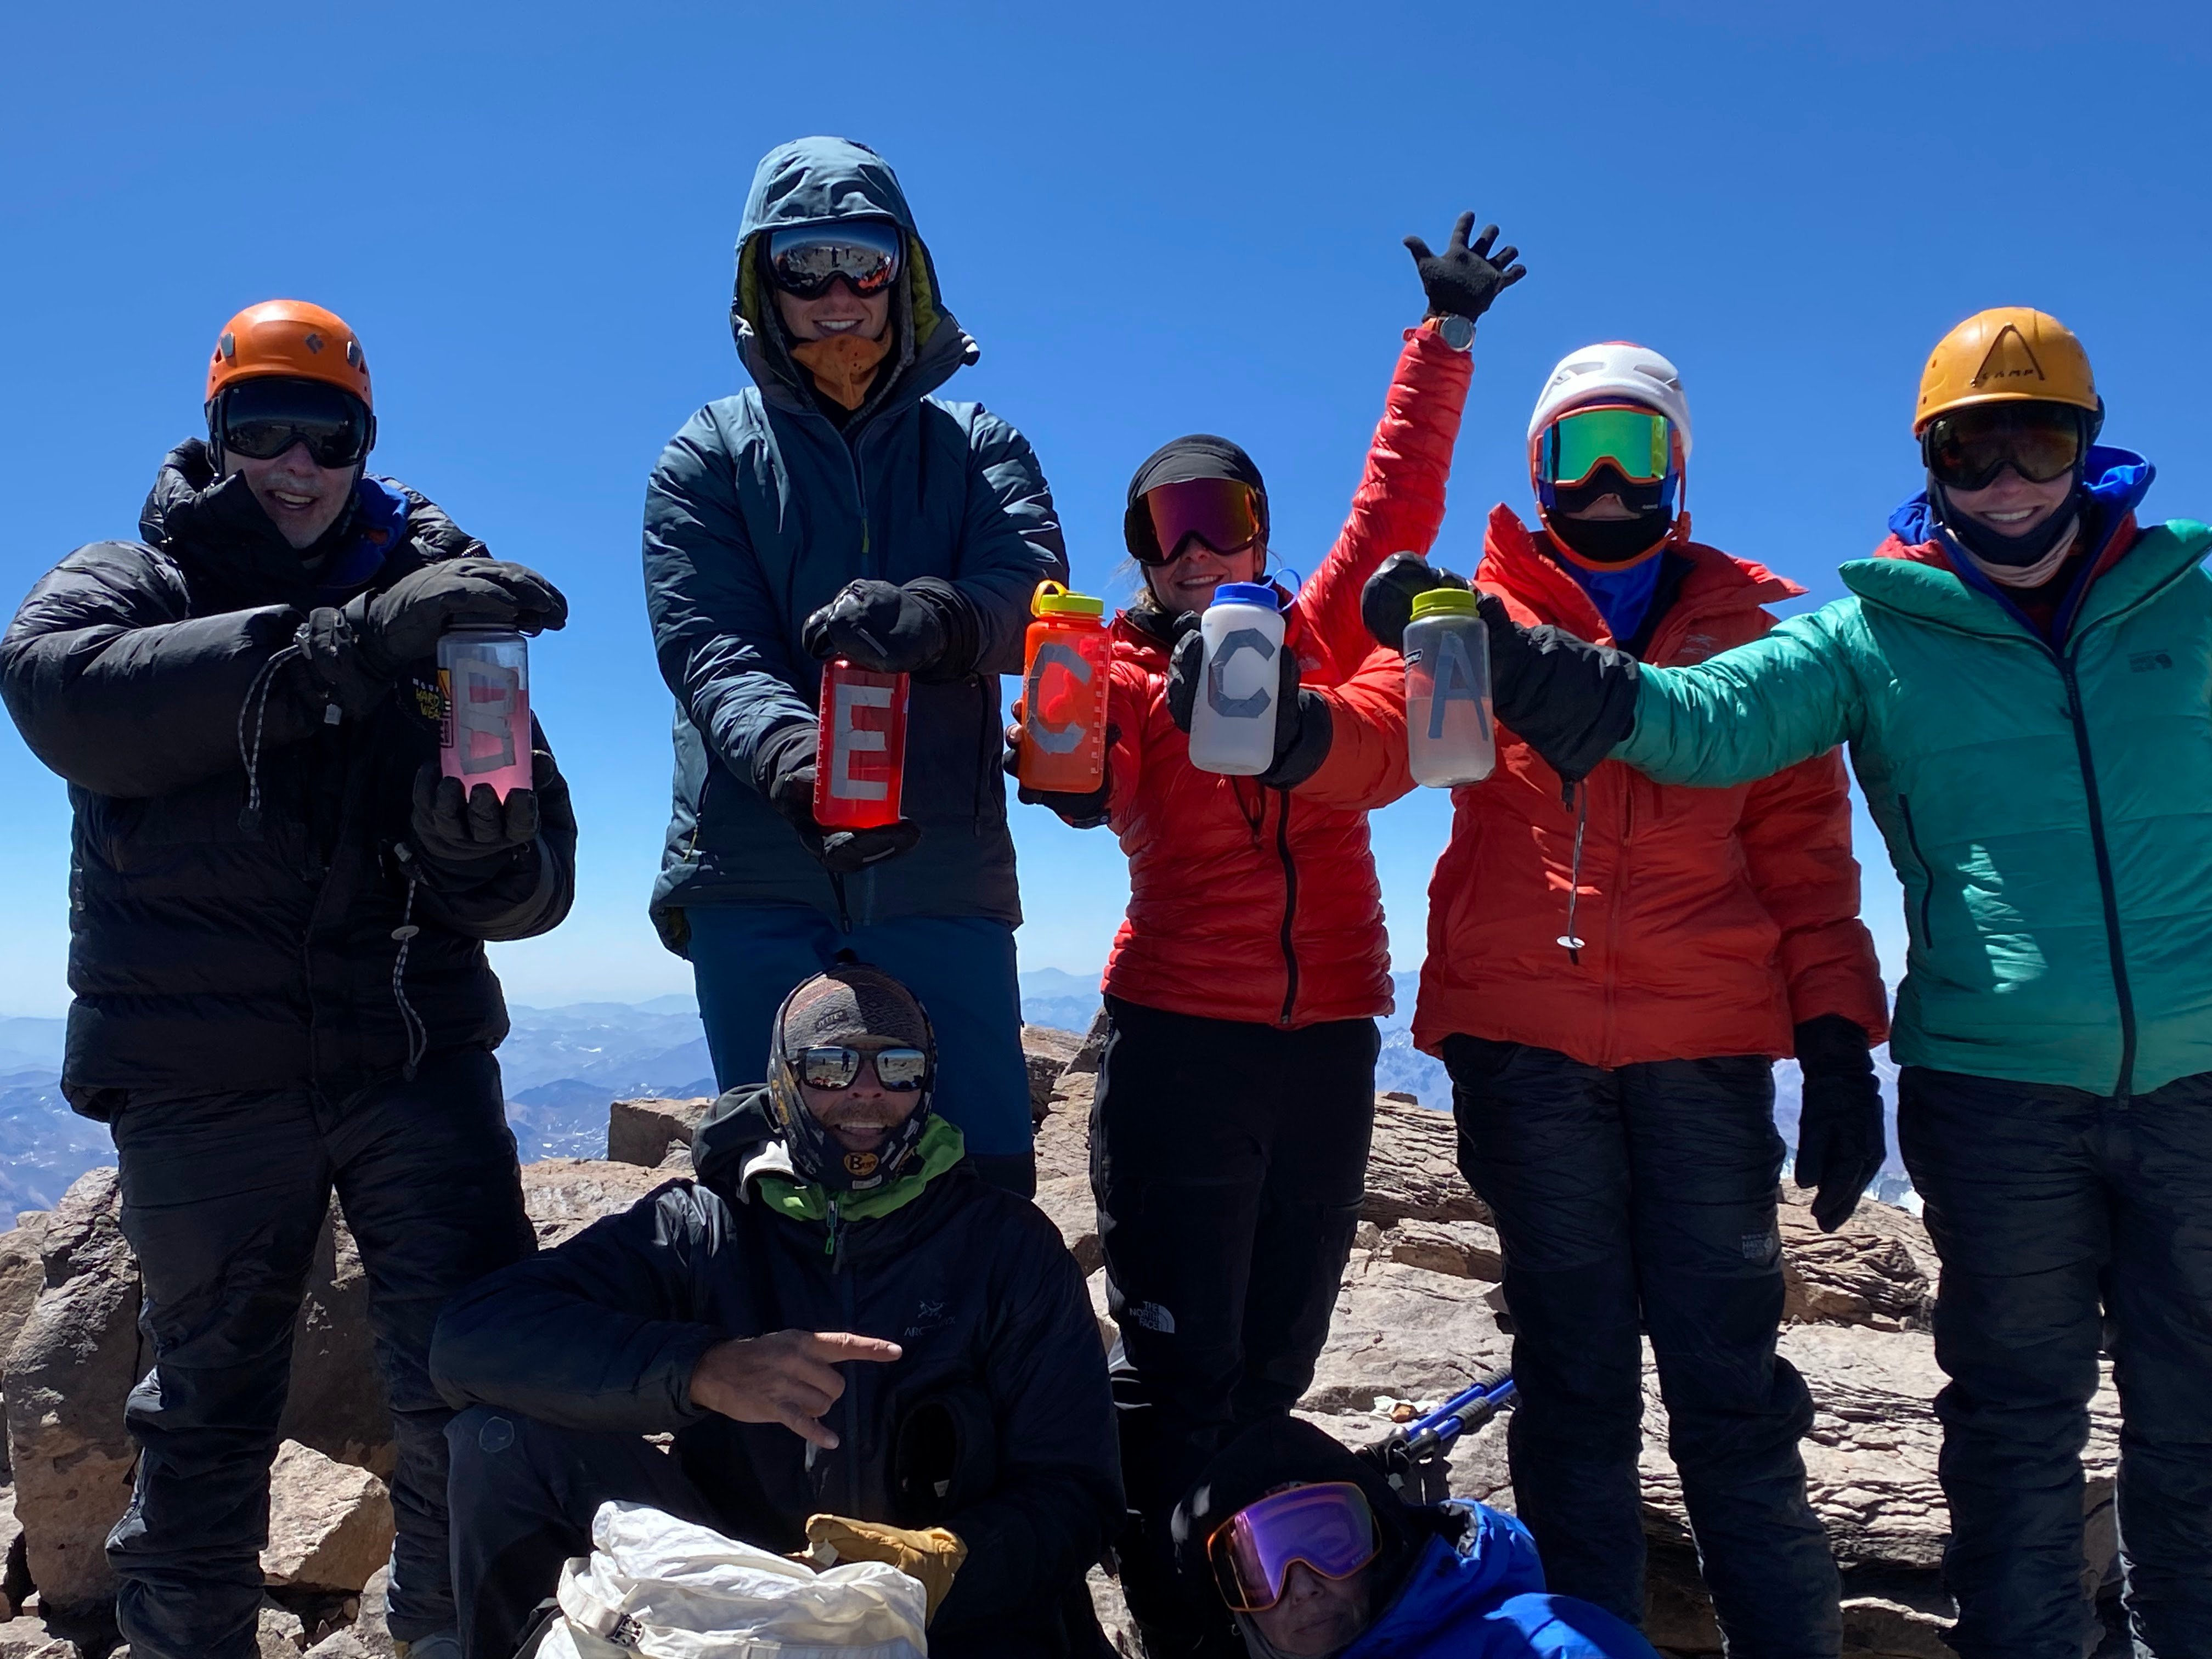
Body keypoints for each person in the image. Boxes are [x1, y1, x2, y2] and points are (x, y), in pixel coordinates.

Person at [1429, 307, 2212, 1658]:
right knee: (2017, 1425)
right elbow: (1697, 720)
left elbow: (1798, 863)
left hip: (2198, 1081)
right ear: (1932, 460)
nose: (2010, 479)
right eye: (1975, 450)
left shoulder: (2192, 602)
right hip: (1998, 1089)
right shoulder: (1868, 636)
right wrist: (1508, 664)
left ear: (2091, 447)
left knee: (2195, 1417)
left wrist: (1837, 1041)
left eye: (2041, 441)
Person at [0, 300, 574, 1659]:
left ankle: (450, 1638)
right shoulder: (133, 578)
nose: (296, 465)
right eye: (261, 430)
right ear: (215, 436)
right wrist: (338, 649)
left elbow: (537, 886)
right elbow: (62, 693)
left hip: (412, 1059)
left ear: (364, 446)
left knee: (467, 1381)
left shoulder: (445, 606)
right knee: (206, 1405)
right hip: (206, 1077)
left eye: (330, 436)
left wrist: (480, 851)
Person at [1011, 214, 1518, 1656]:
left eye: (1221, 522)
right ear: (1142, 559)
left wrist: (1446, 339)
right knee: (1182, 1373)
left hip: (1328, 1045)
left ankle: (1260, 1611)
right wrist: (1054, 739)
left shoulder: (1315, 640)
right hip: (1182, 1043)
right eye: (1168, 534)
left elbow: (1400, 490)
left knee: (1279, 1361)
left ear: (1257, 536)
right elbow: (1070, 752)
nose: (1196, 553)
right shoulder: (1113, 667)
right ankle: (1174, 1619)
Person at [1357, 344, 1888, 1651]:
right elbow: (1387, 746)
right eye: (1573, 453)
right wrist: (1311, 714)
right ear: (1536, 473)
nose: (1602, 482)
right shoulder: (1468, 616)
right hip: (1526, 1050)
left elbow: (1810, 864)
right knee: (1576, 1383)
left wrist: (1835, 1043)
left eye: (1633, 451)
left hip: (1705, 1058)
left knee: (1732, 1398)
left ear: (1680, 469)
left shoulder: (1754, 648)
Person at [431, 961, 1121, 1659]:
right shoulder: (704, 1229)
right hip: (741, 1593)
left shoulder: (1003, 1246)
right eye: (829, 1067)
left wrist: (937, 1562)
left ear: (927, 1081)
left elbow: (1078, 1492)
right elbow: (470, 1340)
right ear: (784, 1081)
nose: (867, 1092)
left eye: (899, 1067)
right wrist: (700, 1371)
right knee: (498, 1440)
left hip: (948, 1617)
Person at [643, 135, 1066, 1197]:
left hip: (939, 869)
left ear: (903, 275)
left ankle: (971, 1361)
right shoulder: (704, 457)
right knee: (779, 1176)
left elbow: (1034, 598)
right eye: (804, 264)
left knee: (982, 1175)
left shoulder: (978, 447)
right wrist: (798, 760)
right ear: (763, 281)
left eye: (864, 262)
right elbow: (708, 644)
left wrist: (938, 618)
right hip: (757, 864)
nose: (837, 292)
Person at [1172, 1415, 1660, 1659]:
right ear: (1232, 1608)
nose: (1303, 1587)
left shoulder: (1547, 1644)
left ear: (1384, 1539)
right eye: (1260, 1572)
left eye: (1329, 1543)